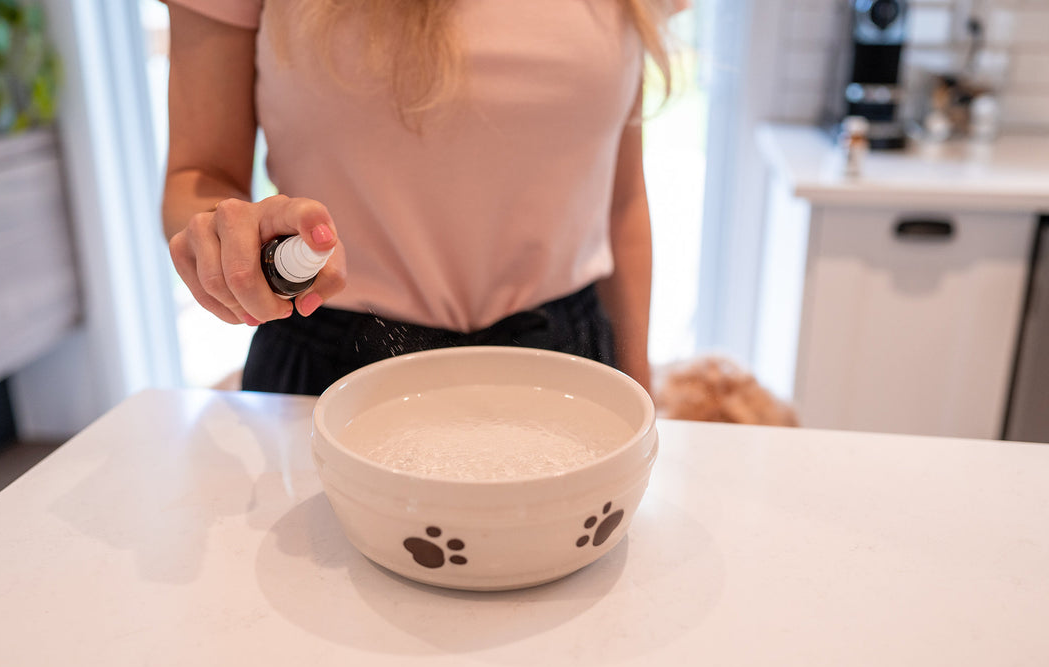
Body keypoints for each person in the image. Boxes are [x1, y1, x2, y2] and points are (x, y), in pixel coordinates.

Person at [161, 0, 679, 396]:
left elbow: (622, 201)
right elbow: (199, 173)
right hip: (329, 369)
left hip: (573, 362)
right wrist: (232, 241)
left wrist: (639, 395)